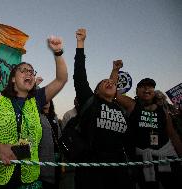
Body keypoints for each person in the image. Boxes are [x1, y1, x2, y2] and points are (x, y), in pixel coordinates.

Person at [0, 36, 68, 188]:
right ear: (13, 79)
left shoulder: (37, 99)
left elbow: (61, 79)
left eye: (31, 72)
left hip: (28, 175)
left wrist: (58, 52)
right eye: (23, 70)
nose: (29, 74)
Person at [73, 28, 135, 189]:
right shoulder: (90, 101)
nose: (109, 83)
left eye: (113, 83)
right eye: (104, 82)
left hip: (119, 169)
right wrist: (80, 43)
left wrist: (115, 71)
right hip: (92, 172)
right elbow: (79, 75)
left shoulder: (120, 109)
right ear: (96, 90)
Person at [114, 74, 182, 187]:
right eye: (143, 87)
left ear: (154, 91)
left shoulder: (163, 110)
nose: (146, 89)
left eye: (150, 87)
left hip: (167, 155)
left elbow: (173, 135)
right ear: (137, 91)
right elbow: (114, 93)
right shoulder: (132, 105)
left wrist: (180, 155)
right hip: (143, 158)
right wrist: (115, 70)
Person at [39, 100, 62, 189]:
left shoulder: (54, 117)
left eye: (48, 99)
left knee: (57, 180)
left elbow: (59, 134)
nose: (46, 101)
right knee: (46, 183)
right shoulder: (38, 116)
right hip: (44, 155)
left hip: (57, 154)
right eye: (43, 100)